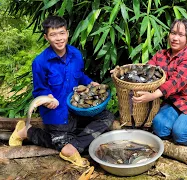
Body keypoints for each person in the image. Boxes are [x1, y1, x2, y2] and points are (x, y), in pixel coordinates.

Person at [9, 15, 115, 166]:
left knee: (107, 116)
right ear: (46, 37)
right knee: (64, 142)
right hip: (57, 113)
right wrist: (47, 99)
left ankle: (71, 144)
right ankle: (27, 132)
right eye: (53, 34)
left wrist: (90, 83)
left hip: (76, 109)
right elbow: (38, 90)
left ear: (67, 33)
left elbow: (80, 77)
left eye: (61, 33)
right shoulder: (40, 62)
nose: (58, 38)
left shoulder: (76, 54)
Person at [130, 19, 187, 150]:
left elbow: (175, 82)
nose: (175, 38)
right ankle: (176, 148)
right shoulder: (161, 55)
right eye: (173, 33)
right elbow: (145, 70)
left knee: (181, 131)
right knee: (159, 126)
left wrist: (152, 96)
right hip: (174, 103)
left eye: (181, 35)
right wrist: (122, 71)